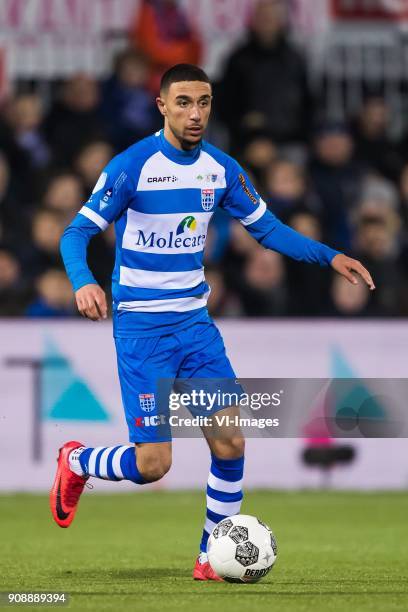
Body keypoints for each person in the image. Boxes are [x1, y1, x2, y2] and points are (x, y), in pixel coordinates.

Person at [51, 64, 374, 581]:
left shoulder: (221, 169)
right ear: (162, 105)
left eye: (203, 102)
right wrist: (82, 280)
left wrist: (329, 256)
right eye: (183, 102)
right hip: (142, 331)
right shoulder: (131, 166)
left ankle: (210, 557)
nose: (195, 113)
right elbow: (74, 233)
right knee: (153, 464)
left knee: (230, 442)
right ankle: (78, 461)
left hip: (196, 328)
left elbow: (267, 229)